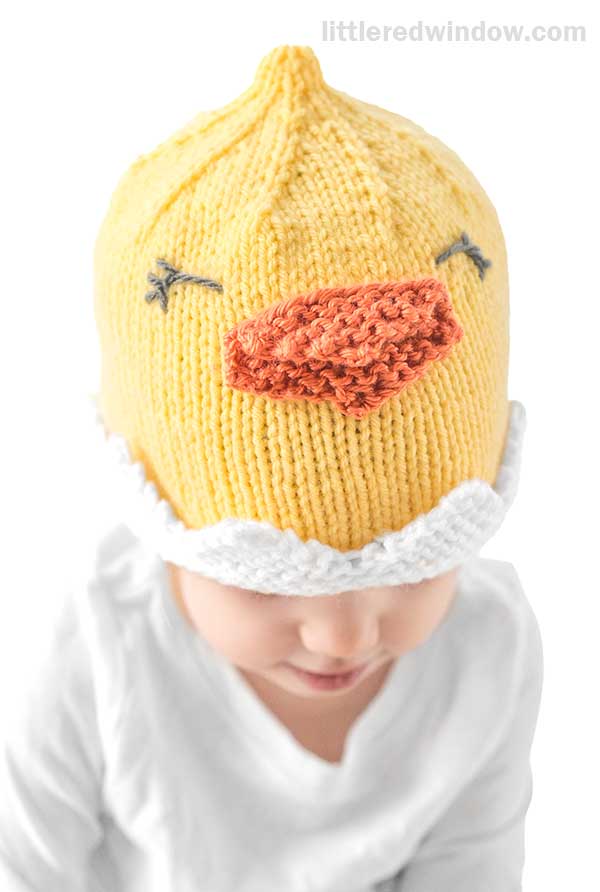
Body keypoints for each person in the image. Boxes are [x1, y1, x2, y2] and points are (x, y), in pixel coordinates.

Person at [0, 45, 543, 891]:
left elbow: (471, 867)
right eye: (267, 575)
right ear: (165, 521)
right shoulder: (90, 652)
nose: (344, 636)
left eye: (416, 562)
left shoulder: (487, 646)